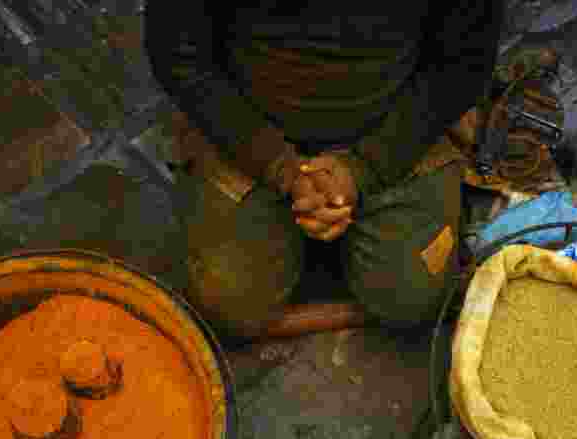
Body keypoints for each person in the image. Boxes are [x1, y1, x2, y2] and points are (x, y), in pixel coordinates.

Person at [145, 1, 506, 340]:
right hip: (246, 131)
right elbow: (179, 56)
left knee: (417, 302)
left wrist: (363, 168)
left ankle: (337, 245)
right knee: (226, 310)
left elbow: (463, 64)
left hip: (395, 129)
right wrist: (280, 167)